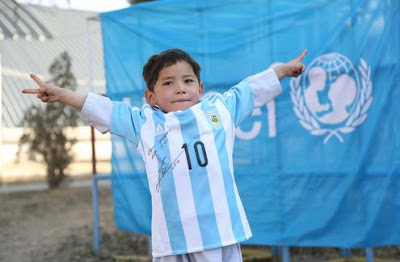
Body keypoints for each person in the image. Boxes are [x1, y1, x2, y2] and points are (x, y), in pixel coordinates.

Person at [23, 48, 307, 262]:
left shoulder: (219, 110)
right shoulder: (144, 123)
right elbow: (102, 107)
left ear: (200, 88)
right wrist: (59, 93)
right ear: (151, 96)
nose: (180, 87)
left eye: (187, 80)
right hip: (172, 239)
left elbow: (250, 89)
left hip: (218, 233)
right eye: (168, 83)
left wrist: (284, 69)